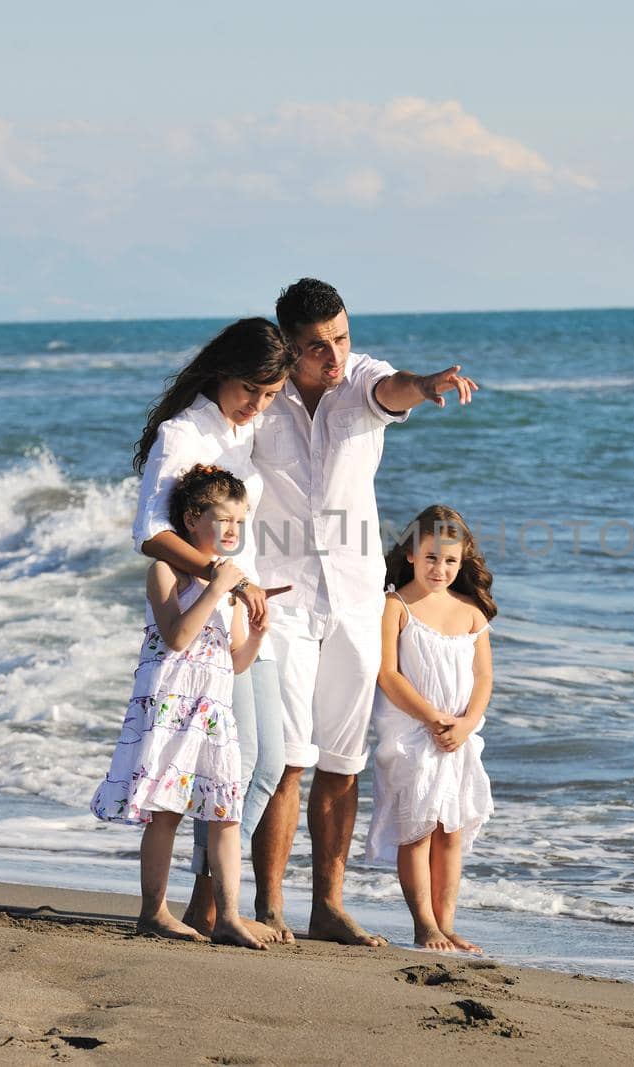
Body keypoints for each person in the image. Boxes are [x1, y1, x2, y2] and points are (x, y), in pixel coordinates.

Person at [249, 278, 479, 946]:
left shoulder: (361, 383)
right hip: (283, 598)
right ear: (287, 347)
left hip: (352, 598)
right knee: (288, 758)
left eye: (342, 338)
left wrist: (427, 383)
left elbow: (393, 387)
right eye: (317, 346)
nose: (334, 356)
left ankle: (328, 905)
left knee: (343, 763)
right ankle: (268, 906)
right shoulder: (265, 398)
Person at [131, 318, 296, 942]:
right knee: (241, 765)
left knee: (267, 761)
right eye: (252, 388)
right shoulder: (182, 433)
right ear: (223, 371)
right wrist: (227, 578)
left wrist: (249, 589)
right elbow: (151, 533)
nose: (258, 404)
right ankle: (210, 906)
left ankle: (213, 903)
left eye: (271, 393)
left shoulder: (242, 430)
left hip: (241, 610)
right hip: (206, 610)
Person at [90, 464, 270, 950]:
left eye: (240, 522)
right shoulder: (165, 570)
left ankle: (230, 914)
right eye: (224, 520)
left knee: (224, 812)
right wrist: (217, 586)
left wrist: (255, 633)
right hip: (172, 704)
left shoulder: (233, 587)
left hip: (212, 709)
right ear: (192, 519)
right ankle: (153, 911)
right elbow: (176, 636)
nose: (233, 531)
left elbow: (235, 664)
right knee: (165, 810)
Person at [366, 505, 496, 952]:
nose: (439, 569)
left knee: (451, 831)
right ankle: (424, 924)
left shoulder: (471, 612)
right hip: (412, 733)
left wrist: (466, 723)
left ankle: (447, 922)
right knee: (418, 828)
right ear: (410, 555)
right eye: (430, 558)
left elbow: (484, 679)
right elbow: (389, 675)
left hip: (458, 738)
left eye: (450, 561)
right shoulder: (395, 605)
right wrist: (433, 718)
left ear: (463, 562)